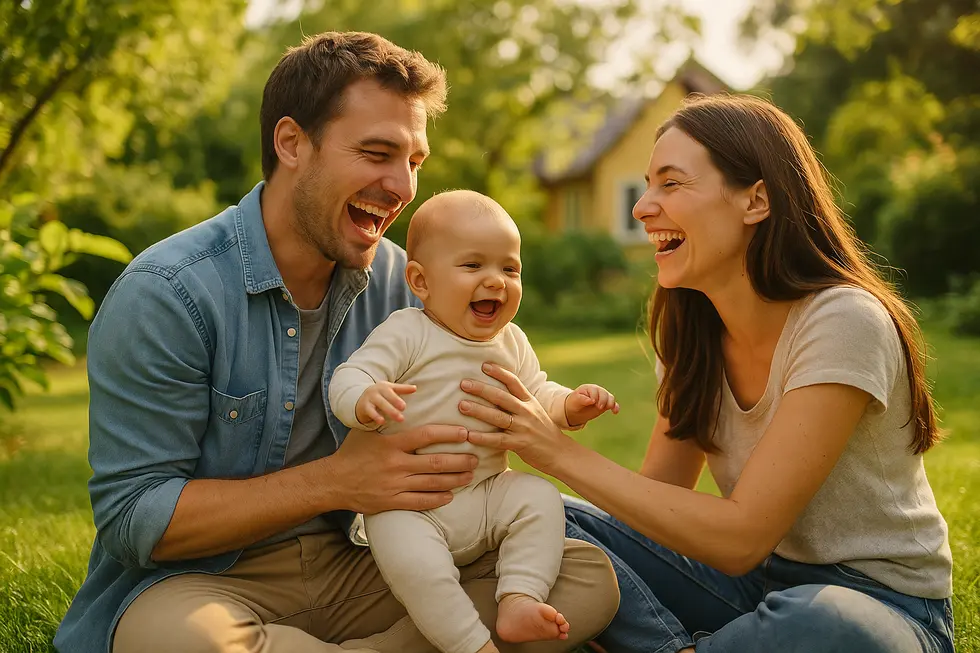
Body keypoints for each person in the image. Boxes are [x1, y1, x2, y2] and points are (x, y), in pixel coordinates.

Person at [54, 32, 619, 653]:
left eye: (414, 162)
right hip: (210, 581)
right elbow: (136, 520)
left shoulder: (413, 286)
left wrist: (541, 420)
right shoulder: (169, 293)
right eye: (377, 153)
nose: (403, 187)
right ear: (292, 143)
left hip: (370, 560)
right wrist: (336, 482)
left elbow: (501, 397)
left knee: (584, 576)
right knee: (177, 641)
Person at [457, 94, 955, 653]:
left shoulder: (843, 320)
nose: (642, 207)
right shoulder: (692, 329)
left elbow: (743, 536)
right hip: (744, 586)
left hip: (877, 604)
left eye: (670, 184)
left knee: (827, 627)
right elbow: (657, 504)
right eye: (646, 186)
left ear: (756, 200)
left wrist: (557, 452)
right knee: (538, 516)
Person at [328, 190, 621, 653]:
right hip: (409, 505)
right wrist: (364, 398)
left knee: (538, 497)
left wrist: (569, 406)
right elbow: (351, 375)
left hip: (485, 494)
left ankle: (520, 597)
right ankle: (469, 644)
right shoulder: (408, 331)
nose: (496, 281)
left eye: (509, 268)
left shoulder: (511, 341)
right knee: (420, 568)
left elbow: (535, 392)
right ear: (421, 282)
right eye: (473, 266)